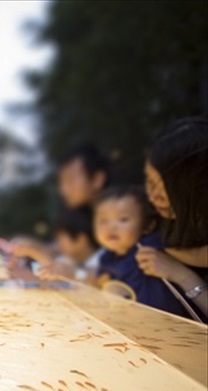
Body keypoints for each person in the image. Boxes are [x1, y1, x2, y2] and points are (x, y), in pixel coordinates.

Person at [137, 117, 208, 319]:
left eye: (165, 188)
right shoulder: (151, 220)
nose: (152, 196)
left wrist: (181, 275)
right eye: (149, 181)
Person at [94, 186, 192, 318]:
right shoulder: (107, 258)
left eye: (123, 219)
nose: (111, 227)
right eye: (103, 221)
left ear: (147, 226)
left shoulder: (150, 249)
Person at [7, 144, 111, 263]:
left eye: (71, 179)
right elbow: (59, 249)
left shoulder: (120, 212)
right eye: (61, 181)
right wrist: (30, 247)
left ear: (98, 179)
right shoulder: (81, 214)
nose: (63, 189)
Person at [37, 208, 101, 285]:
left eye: (61, 239)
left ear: (81, 240)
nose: (58, 244)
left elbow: (99, 277)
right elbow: (50, 271)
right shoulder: (69, 259)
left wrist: (76, 274)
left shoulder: (102, 260)